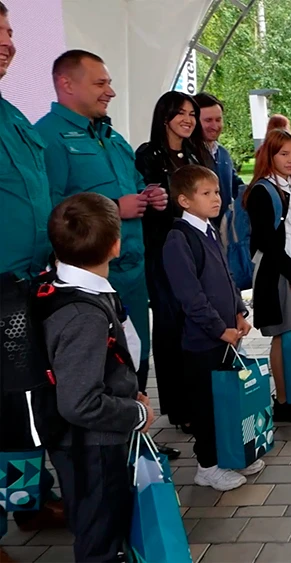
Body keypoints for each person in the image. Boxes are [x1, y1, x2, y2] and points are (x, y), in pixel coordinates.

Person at [34, 50, 177, 459]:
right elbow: (51, 210)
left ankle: (139, 438)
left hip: (130, 276)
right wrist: (117, 205)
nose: (110, 92)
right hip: (89, 286)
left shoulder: (111, 137)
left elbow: (133, 186)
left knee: (135, 360)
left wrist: (151, 196)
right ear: (67, 83)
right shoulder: (48, 137)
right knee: (100, 373)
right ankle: (107, 457)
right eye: (100, 83)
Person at [43, 193, 157, 563]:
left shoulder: (66, 285)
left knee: (104, 523)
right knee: (100, 533)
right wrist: (134, 414)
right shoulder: (82, 314)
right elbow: (79, 402)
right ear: (115, 245)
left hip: (93, 440)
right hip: (92, 446)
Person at [0, 2, 65, 552]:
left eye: (10, 31)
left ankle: (24, 502)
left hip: (26, 285)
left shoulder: (12, 114)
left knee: (17, 406)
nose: (7, 42)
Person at [161, 165, 262, 490]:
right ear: (184, 200)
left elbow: (226, 277)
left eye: (217, 192)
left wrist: (238, 312)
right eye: (206, 193)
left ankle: (231, 454)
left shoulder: (208, 229)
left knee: (227, 401)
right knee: (205, 407)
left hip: (225, 337)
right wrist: (219, 329)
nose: (216, 198)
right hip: (202, 342)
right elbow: (191, 296)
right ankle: (208, 464)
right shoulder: (179, 239)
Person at [135, 91, 212, 432]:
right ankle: (179, 408)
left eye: (192, 113)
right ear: (164, 116)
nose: (188, 119)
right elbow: (150, 206)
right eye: (180, 113)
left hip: (199, 248)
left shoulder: (197, 152)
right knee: (171, 326)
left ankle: (200, 399)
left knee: (198, 321)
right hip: (165, 250)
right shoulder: (148, 155)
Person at [243, 129, 291, 423]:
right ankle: (285, 401)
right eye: (283, 154)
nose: (290, 160)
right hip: (276, 272)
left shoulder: (290, 186)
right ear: (270, 155)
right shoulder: (264, 190)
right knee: (282, 334)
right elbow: (268, 242)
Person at [193, 93, 246, 230]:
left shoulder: (223, 154)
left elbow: (235, 186)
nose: (214, 125)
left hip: (223, 233)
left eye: (218, 120)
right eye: (208, 120)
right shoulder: (190, 156)